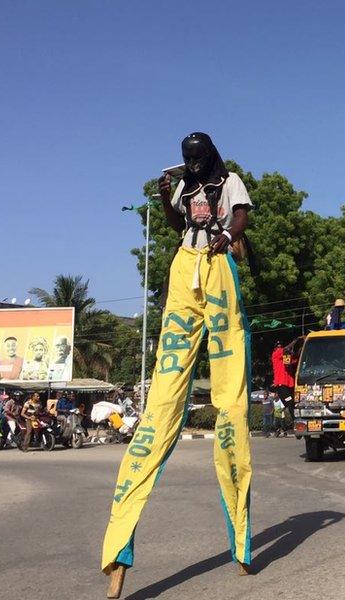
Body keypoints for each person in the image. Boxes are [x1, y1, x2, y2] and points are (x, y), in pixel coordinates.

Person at [101, 132, 255, 596]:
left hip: (218, 264)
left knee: (231, 402)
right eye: (184, 159)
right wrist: (164, 193)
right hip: (183, 265)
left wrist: (227, 235)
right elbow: (174, 224)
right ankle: (118, 547)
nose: (190, 164)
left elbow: (243, 216)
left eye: (195, 158)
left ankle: (242, 542)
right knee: (162, 401)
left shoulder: (229, 181)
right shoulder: (184, 186)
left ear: (207, 155)